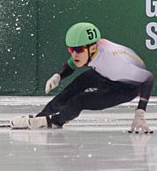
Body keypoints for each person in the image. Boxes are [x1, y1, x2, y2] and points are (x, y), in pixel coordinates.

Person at [10, 22, 154, 132]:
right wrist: (58, 76)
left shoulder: (115, 63)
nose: (74, 54)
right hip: (104, 75)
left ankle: (54, 121)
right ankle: (42, 116)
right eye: (71, 49)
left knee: (80, 100)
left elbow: (148, 78)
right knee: (75, 86)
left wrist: (140, 112)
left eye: (78, 50)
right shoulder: (93, 50)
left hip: (126, 88)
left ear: (92, 49)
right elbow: (72, 64)